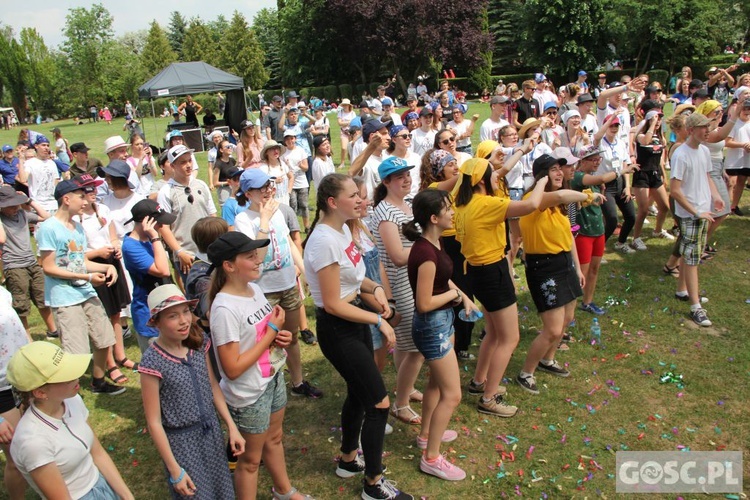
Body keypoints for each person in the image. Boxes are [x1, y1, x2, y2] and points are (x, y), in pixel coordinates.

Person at [303, 173, 414, 500]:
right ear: (333, 202)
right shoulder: (323, 240)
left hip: (354, 321)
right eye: (353, 195)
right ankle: (373, 484)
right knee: (379, 404)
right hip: (339, 328)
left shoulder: (341, 231)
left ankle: (348, 459)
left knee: (359, 392)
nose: (360, 200)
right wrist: (378, 319)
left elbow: (356, 280)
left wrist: (376, 287)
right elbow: (334, 303)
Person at [207, 232, 313, 500]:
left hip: (272, 378)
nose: (258, 262)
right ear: (229, 266)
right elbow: (231, 368)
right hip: (248, 394)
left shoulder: (254, 290)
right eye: (250, 257)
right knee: (251, 461)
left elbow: (262, 334)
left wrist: (280, 337)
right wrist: (271, 334)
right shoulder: (224, 309)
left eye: (257, 255)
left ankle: (284, 491)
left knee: (275, 439)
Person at [453, 158, 547, 412]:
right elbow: (531, 204)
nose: (498, 178)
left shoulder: (462, 203)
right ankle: (489, 399)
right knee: (509, 337)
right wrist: (541, 181)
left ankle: (479, 381)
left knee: (494, 332)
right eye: (493, 175)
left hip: (475, 271)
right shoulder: (486, 203)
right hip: (492, 272)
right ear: (481, 181)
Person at [139, 285, 241, 499]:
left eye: (186, 311)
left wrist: (231, 426)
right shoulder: (152, 361)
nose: (184, 320)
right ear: (156, 322)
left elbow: (213, 386)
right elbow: (154, 422)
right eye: (173, 316)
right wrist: (175, 469)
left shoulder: (198, 342)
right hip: (183, 445)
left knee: (222, 490)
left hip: (211, 433)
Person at [404, 189, 477, 481]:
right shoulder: (424, 253)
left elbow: (443, 278)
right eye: (448, 209)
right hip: (432, 325)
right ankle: (431, 458)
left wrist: (463, 296)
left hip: (442, 320)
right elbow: (423, 303)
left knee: (435, 383)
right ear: (434, 218)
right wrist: (452, 295)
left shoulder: (436, 240)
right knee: (453, 394)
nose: (453, 212)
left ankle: (425, 436)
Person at [516, 155, 604, 394]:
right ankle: (526, 372)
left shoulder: (558, 205)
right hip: (544, 266)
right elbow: (564, 195)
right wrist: (589, 196)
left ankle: (548, 359)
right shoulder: (534, 199)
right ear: (541, 176)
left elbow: (569, 238)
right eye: (553, 169)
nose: (559, 173)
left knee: (566, 319)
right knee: (553, 329)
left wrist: (576, 267)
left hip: (564, 262)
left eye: (559, 169)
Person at [234, 169, 322, 400]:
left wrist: (304, 271)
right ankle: (268, 385)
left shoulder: (279, 212)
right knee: (266, 341)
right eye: (260, 188)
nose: (267, 191)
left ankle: (297, 381)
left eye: (268, 186)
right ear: (247, 193)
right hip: (263, 290)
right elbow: (254, 256)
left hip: (287, 284)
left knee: (291, 336)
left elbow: (289, 244)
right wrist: (263, 220)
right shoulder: (243, 219)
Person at [7, 342, 134, 499]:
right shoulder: (33, 442)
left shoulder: (72, 401)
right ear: (40, 392)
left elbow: (98, 453)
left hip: (101, 484)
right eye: (66, 375)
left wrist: (127, 496)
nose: (77, 376)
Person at [36, 175, 126, 395]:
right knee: (76, 350)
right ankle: (69, 392)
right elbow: (47, 267)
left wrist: (106, 268)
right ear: (66, 199)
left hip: (85, 292)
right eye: (81, 196)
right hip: (65, 297)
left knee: (105, 338)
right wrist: (88, 278)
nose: (86, 201)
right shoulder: (48, 228)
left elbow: (80, 261)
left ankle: (98, 381)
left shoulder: (77, 228)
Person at [669, 113, 725, 326]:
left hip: (702, 210)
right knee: (693, 259)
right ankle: (695, 306)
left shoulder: (703, 151)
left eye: (708, 127)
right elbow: (675, 191)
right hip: (691, 213)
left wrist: (716, 196)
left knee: (689, 254)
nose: (708, 131)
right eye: (703, 127)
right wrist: (695, 211)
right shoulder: (681, 155)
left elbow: (707, 176)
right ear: (691, 130)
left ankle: (682, 290)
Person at [76, 181, 134, 382]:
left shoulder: (103, 209)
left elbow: (113, 237)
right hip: (93, 265)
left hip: (111, 262)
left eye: (94, 188)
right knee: (102, 315)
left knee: (116, 312)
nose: (93, 192)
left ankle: (120, 355)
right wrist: (97, 253)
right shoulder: (76, 218)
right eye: (87, 190)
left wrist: (115, 246)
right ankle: (109, 363)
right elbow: (77, 254)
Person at [571, 146, 636, 314]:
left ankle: (587, 302)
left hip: (598, 231)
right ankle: (568, 310)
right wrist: (623, 171)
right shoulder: (578, 177)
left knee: (594, 269)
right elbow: (602, 177)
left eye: (599, 160)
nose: (597, 163)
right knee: (581, 274)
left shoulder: (593, 180)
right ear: (583, 161)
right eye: (594, 160)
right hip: (584, 232)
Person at [0, 186, 58, 338]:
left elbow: (47, 217)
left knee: (42, 298)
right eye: (10, 205)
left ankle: (53, 330)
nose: (14, 207)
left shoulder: (22, 214)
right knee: (21, 305)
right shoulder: (1, 219)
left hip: (32, 263)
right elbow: (2, 239)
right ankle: (26, 338)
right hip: (14, 266)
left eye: (16, 203)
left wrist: (30, 201)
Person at [121, 199, 176, 353]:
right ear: (146, 222)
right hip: (149, 315)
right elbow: (163, 270)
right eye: (158, 222)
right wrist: (155, 238)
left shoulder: (149, 240)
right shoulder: (131, 247)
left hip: (165, 307)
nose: (162, 226)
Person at [157, 144, 217, 283]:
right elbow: (164, 227)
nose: (188, 165)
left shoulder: (201, 185)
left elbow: (212, 216)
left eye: (189, 160)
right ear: (172, 166)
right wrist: (179, 252)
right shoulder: (166, 192)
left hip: (209, 252)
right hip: (187, 255)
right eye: (182, 162)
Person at [0, 285, 29, 499]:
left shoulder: (2, 292)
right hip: (2, 390)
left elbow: (18, 330)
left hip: (24, 376)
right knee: (16, 457)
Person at [593, 113, 638, 253]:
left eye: (616, 125)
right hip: (605, 185)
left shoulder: (620, 143)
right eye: (611, 125)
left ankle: (621, 242)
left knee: (631, 217)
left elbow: (626, 164)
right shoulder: (600, 143)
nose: (614, 128)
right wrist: (608, 121)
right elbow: (597, 137)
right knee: (612, 220)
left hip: (620, 182)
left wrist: (627, 188)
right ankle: (599, 249)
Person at [630, 109, 674, 250]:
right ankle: (636, 238)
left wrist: (663, 175)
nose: (658, 121)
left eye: (660, 118)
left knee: (664, 206)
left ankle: (658, 230)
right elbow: (645, 141)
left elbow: (660, 159)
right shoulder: (641, 135)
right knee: (643, 209)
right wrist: (652, 125)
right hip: (642, 174)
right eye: (655, 118)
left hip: (655, 174)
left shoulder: (660, 137)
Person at [16, 135, 60, 214]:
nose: (46, 147)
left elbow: (56, 180)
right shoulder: (30, 163)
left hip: (53, 204)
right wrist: (21, 159)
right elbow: (23, 179)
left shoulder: (52, 163)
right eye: (43, 145)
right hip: (39, 205)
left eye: (47, 145)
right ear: (36, 146)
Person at [283, 131, 310, 231]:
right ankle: (294, 228)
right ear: (285, 141)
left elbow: (306, 167)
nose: (290, 141)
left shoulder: (301, 150)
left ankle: (307, 226)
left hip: (302, 182)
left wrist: (300, 165)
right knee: (293, 205)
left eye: (292, 138)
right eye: (287, 139)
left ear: (295, 139)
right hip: (291, 184)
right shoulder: (283, 153)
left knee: (304, 205)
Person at [258, 140, 293, 206]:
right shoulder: (263, 168)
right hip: (271, 202)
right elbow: (260, 186)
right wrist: (273, 181)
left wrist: (289, 192)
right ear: (266, 152)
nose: (276, 151)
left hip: (285, 200)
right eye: (272, 149)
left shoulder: (282, 164)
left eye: (277, 148)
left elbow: (291, 177)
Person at [212, 139, 238, 207]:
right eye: (227, 147)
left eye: (230, 146)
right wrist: (228, 182)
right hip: (224, 190)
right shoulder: (218, 164)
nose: (230, 148)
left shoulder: (232, 161)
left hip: (234, 188)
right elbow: (215, 183)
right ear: (221, 150)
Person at [337, 99, 356, 169]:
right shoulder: (340, 112)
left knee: (351, 148)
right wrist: (348, 122)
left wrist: (344, 123)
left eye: (345, 105)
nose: (344, 106)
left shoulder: (352, 113)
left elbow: (354, 123)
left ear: (348, 105)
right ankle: (342, 163)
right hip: (343, 132)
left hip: (351, 133)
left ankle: (352, 162)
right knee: (343, 148)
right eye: (343, 105)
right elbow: (339, 123)